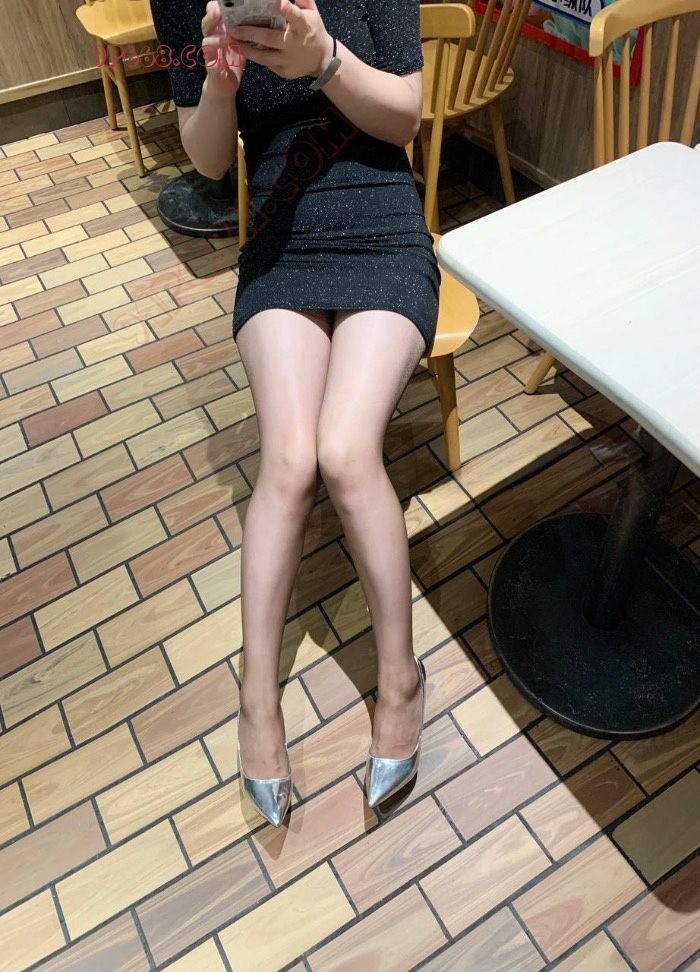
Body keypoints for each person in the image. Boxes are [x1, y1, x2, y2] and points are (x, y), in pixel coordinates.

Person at [154, 0, 439, 826]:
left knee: (346, 452)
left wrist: (324, 61)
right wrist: (218, 84)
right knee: (288, 459)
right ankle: (257, 701)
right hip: (280, 241)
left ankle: (400, 682)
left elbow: (406, 118)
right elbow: (208, 159)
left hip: (383, 228)